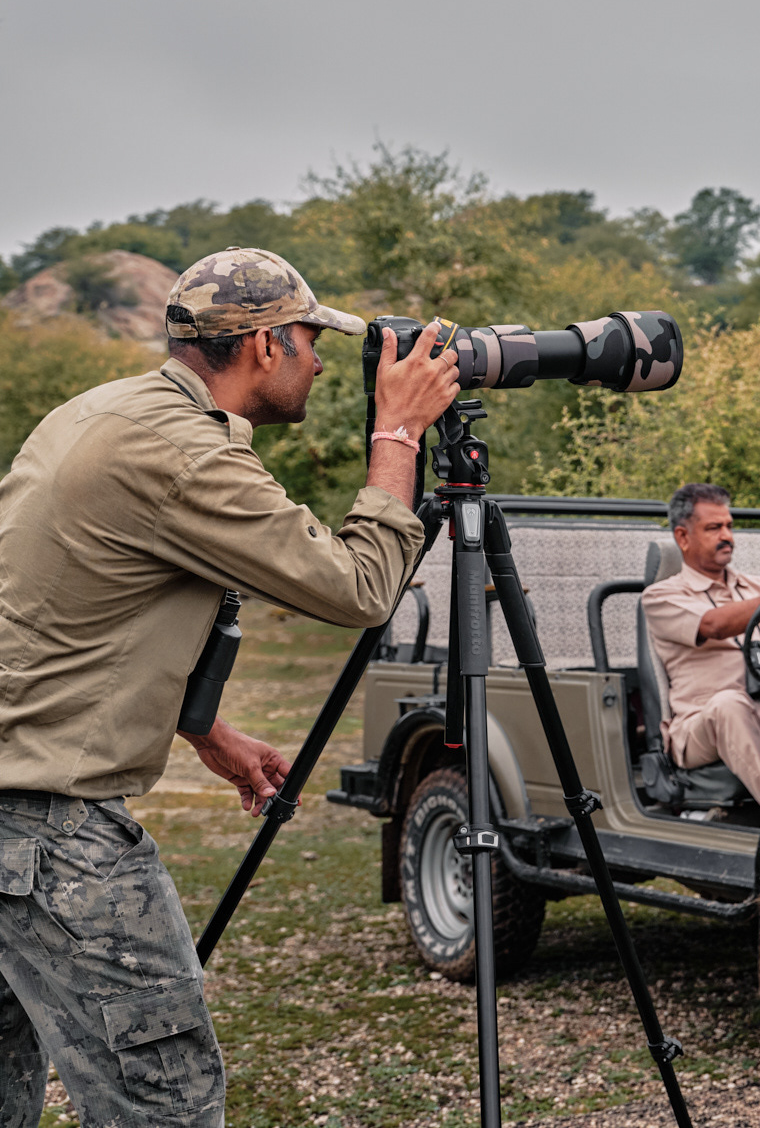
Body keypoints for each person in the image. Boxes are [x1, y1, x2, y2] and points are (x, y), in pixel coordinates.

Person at [0, 247, 462, 1128]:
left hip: (11, 814)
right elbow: (358, 590)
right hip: (51, 839)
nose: (322, 361)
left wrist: (203, 730)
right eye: (307, 339)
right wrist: (397, 435)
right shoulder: (183, 453)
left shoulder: (99, 412)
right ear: (261, 346)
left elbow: (66, 608)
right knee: (163, 1102)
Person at [640, 483, 760, 810]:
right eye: (713, 528)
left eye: (729, 526)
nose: (727, 536)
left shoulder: (756, 586)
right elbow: (714, 624)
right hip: (699, 725)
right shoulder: (660, 597)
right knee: (728, 705)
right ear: (683, 537)